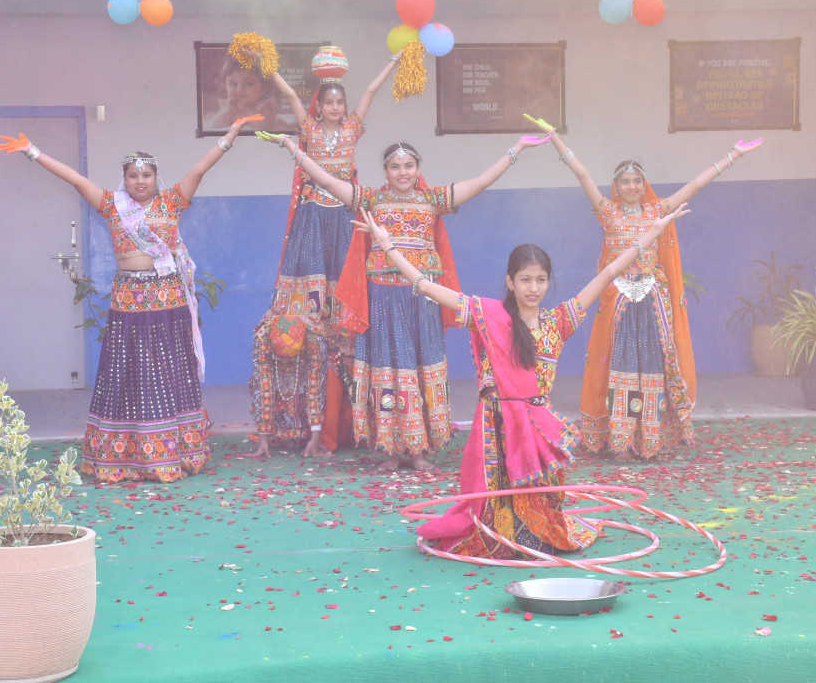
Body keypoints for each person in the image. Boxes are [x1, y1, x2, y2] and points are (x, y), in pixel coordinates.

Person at [353, 204, 690, 558]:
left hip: (537, 428)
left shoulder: (560, 321)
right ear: (511, 282)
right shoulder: (487, 315)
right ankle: (503, 532)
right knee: (494, 521)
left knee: (539, 525)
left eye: (541, 279)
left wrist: (652, 233)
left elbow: (608, 273)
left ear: (549, 282)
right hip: (496, 424)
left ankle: (534, 531)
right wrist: (387, 245)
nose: (533, 287)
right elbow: (425, 286)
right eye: (525, 279)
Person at [258, 131, 550, 471]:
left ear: (418, 168)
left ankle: (419, 449)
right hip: (383, 300)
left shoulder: (433, 199)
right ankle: (392, 449)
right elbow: (325, 180)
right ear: (385, 171)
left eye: (409, 166)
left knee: (422, 369)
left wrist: (516, 149)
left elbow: (482, 181)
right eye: (395, 167)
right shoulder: (370, 199)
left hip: (421, 301)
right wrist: (293, 148)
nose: (402, 172)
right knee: (389, 371)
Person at [0, 114, 261, 483]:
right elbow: (76, 179)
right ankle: (123, 455)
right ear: (125, 179)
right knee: (126, 373)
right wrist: (33, 151)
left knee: (168, 373)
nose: (140, 181)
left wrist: (230, 135)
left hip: (168, 300)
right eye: (133, 175)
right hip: (128, 300)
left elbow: (200, 168)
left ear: (156, 177)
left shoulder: (172, 201)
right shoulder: (111, 205)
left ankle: (172, 452)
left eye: (146, 175)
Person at [538, 115, 763, 460]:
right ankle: (621, 442)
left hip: (653, 303)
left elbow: (695, 185)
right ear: (616, 186)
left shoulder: (658, 210)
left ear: (644, 186)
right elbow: (581, 173)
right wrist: (555, 138)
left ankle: (650, 441)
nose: (631, 186)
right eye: (625, 181)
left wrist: (731, 156)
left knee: (653, 370)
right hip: (619, 304)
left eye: (636, 181)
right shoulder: (607, 212)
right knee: (621, 369)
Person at [247, 54, 400, 460]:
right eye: (328, 102)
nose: (334, 107)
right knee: (312, 290)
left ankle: (346, 347)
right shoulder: (310, 129)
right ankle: (312, 349)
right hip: (314, 217)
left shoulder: (353, 128)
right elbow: (288, 94)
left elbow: (371, 90)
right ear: (319, 106)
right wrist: (267, 66)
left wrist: (393, 62)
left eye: (339, 102)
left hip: (346, 215)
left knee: (346, 282)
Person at [204, 56, 291, 132]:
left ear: (263, 88)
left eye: (249, 84)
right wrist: (229, 112)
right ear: (225, 86)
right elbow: (215, 125)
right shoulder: (229, 105)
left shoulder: (264, 105)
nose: (239, 89)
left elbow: (266, 126)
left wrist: (247, 112)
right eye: (233, 84)